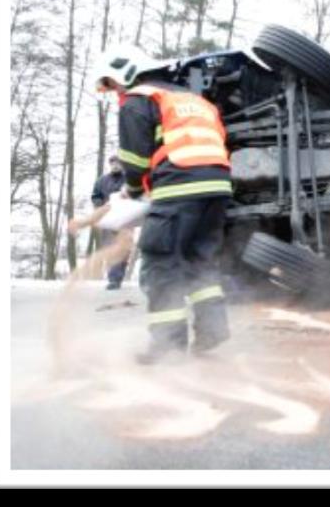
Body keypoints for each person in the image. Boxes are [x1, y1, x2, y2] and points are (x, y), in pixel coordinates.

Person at [93, 44, 233, 364]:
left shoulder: (139, 99)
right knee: (201, 258)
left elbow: (134, 160)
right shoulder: (195, 100)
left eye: (111, 84)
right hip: (217, 187)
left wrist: (132, 190)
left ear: (124, 72)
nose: (114, 91)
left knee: (160, 263)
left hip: (179, 185)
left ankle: (168, 347)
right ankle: (212, 333)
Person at [91, 155, 128, 289]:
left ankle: (118, 276)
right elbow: (95, 196)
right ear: (110, 164)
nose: (115, 165)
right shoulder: (102, 180)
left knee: (123, 248)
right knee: (110, 247)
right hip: (108, 217)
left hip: (126, 218)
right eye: (113, 163)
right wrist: (100, 205)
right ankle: (113, 279)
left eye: (118, 163)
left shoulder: (128, 179)